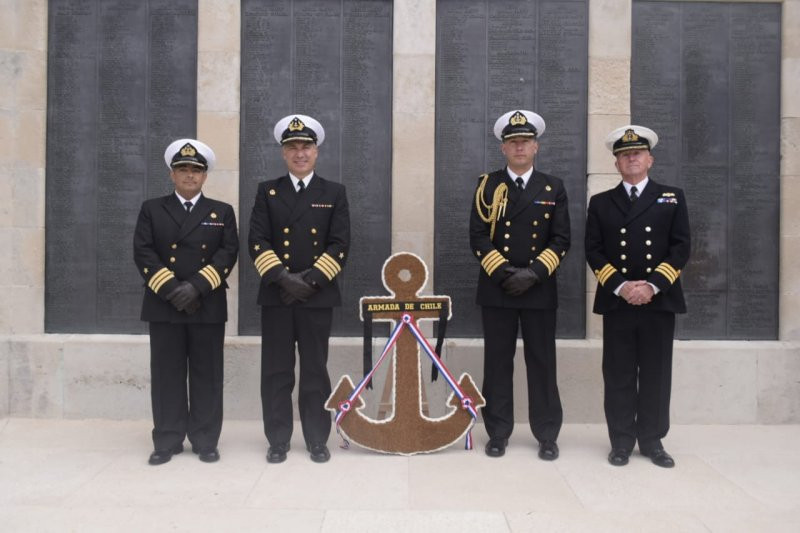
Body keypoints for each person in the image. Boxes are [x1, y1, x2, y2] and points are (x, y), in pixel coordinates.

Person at [585, 125, 690, 468]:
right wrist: (623, 286)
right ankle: (621, 440)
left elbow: (681, 247)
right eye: (624, 154)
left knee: (657, 372)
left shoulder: (672, 197)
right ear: (616, 163)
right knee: (618, 372)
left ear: (650, 159)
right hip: (619, 301)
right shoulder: (601, 203)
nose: (631, 158)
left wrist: (651, 286)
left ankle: (652, 439)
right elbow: (594, 251)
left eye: (637, 153)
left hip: (658, 300)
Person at [248, 114, 350, 464]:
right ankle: (277, 439)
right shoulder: (267, 191)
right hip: (277, 296)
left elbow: (340, 245)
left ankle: (317, 438)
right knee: (276, 371)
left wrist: (308, 282)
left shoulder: (334, 192)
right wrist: (283, 278)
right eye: (292, 147)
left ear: (316, 151)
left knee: (314, 371)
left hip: (316, 296)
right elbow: (258, 242)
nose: (300, 153)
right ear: (283, 153)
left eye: (305, 146)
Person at [469, 110, 570, 460]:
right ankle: (497, 432)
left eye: (525, 141)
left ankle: (546, 434)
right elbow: (478, 237)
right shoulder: (488, 186)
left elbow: (561, 239)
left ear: (535, 146)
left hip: (539, 289)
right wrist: (504, 273)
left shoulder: (552, 187)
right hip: (498, 289)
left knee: (542, 362)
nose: (519, 147)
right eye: (513, 142)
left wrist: (534, 274)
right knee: (498, 363)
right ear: (503, 149)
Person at [134, 139, 239, 465]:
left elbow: (227, 253)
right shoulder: (152, 209)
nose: (190, 176)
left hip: (206, 304)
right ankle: (167, 439)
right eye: (183, 170)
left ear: (205, 176)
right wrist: (173, 290)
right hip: (164, 304)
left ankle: (205, 439)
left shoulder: (221, 212)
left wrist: (195, 287)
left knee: (207, 375)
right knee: (167, 374)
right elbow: (144, 252)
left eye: (196, 170)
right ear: (172, 174)